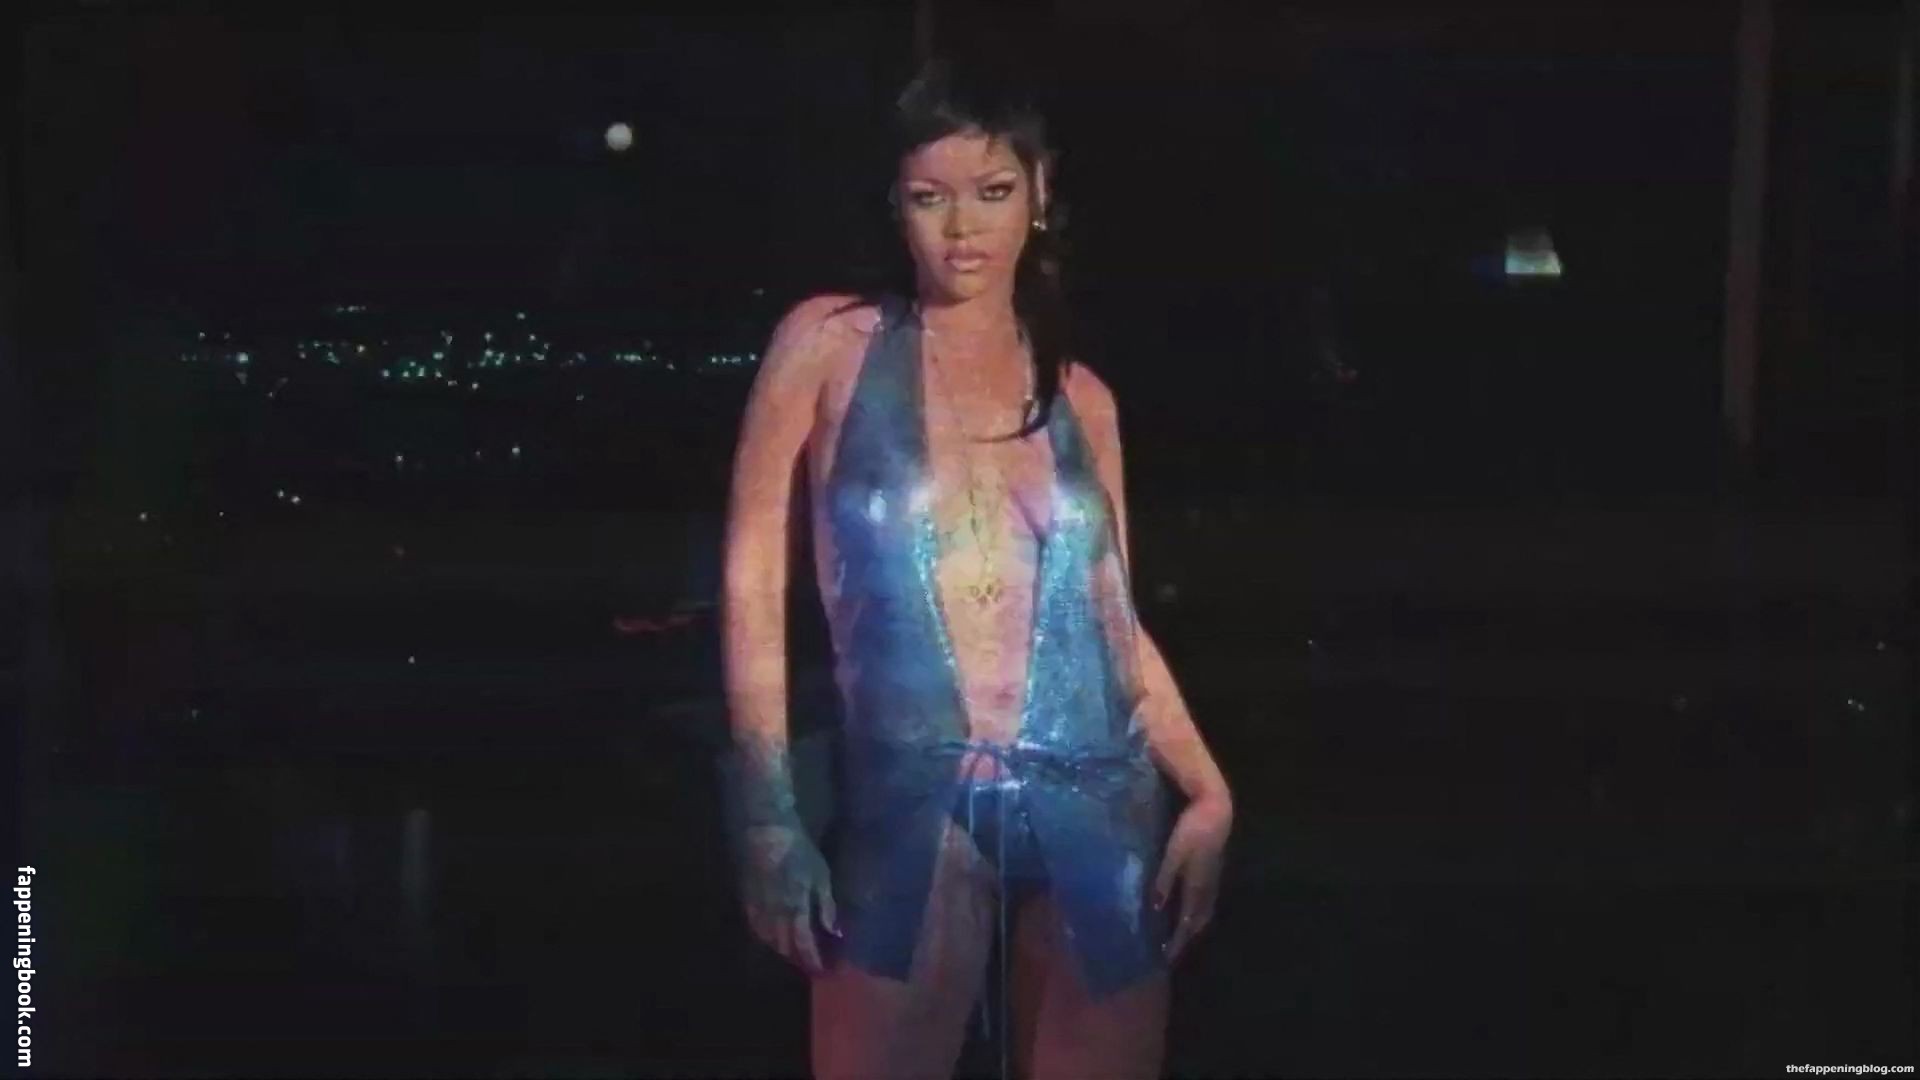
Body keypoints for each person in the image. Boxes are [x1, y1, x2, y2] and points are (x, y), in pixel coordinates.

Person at [720, 56, 1233, 1080]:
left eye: (992, 192)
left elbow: (1111, 620)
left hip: (1098, 794)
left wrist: (1210, 792)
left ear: (1039, 193)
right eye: (930, 198)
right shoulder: (828, 344)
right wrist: (766, 814)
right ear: (896, 206)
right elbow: (751, 585)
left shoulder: (1082, 397)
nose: (963, 228)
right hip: (910, 795)